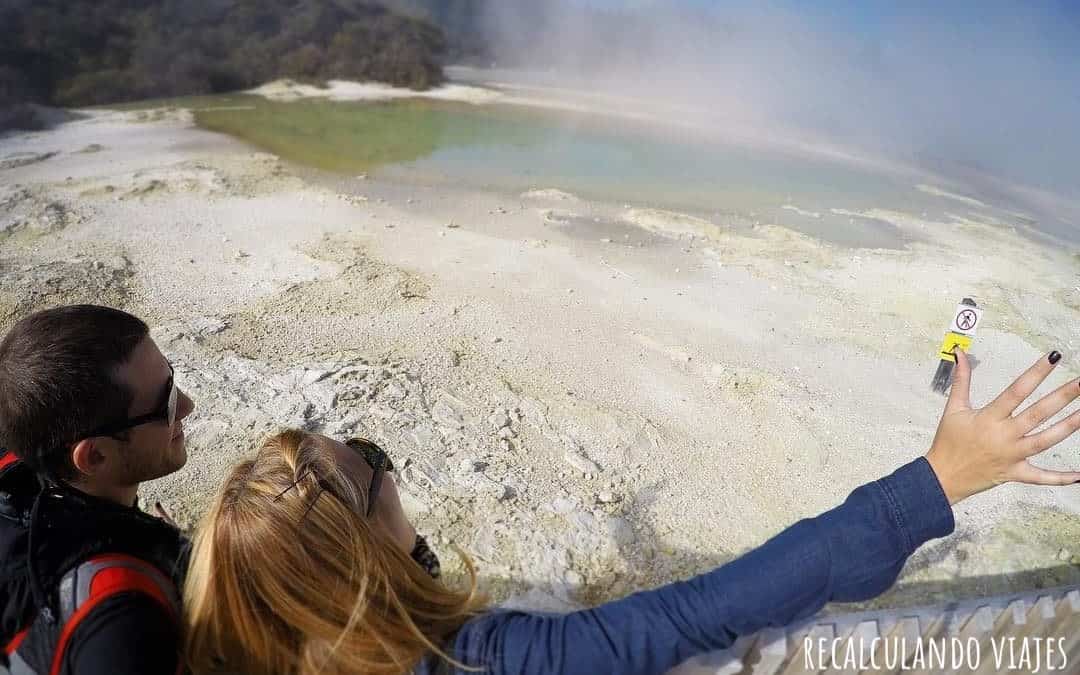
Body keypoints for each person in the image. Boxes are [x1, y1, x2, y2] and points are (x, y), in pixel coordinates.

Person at [183, 348, 1080, 675]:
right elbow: (700, 611)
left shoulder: (252, 644)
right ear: (358, 555)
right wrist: (936, 481)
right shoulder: (481, 658)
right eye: (374, 468)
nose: (391, 466)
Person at [0, 305, 196, 674]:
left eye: (172, 378)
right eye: (166, 402)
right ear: (95, 456)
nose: (187, 405)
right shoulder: (126, 626)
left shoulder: (25, 449)